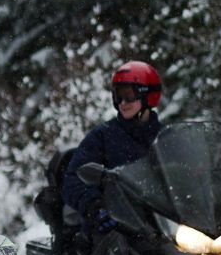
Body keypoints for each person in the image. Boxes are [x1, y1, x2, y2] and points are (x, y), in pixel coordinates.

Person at [62, 60, 164, 235]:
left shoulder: (164, 136)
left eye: (129, 95)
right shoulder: (103, 136)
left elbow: (185, 172)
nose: (123, 102)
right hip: (113, 226)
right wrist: (95, 206)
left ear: (148, 96)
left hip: (159, 223)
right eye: (118, 96)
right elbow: (74, 177)